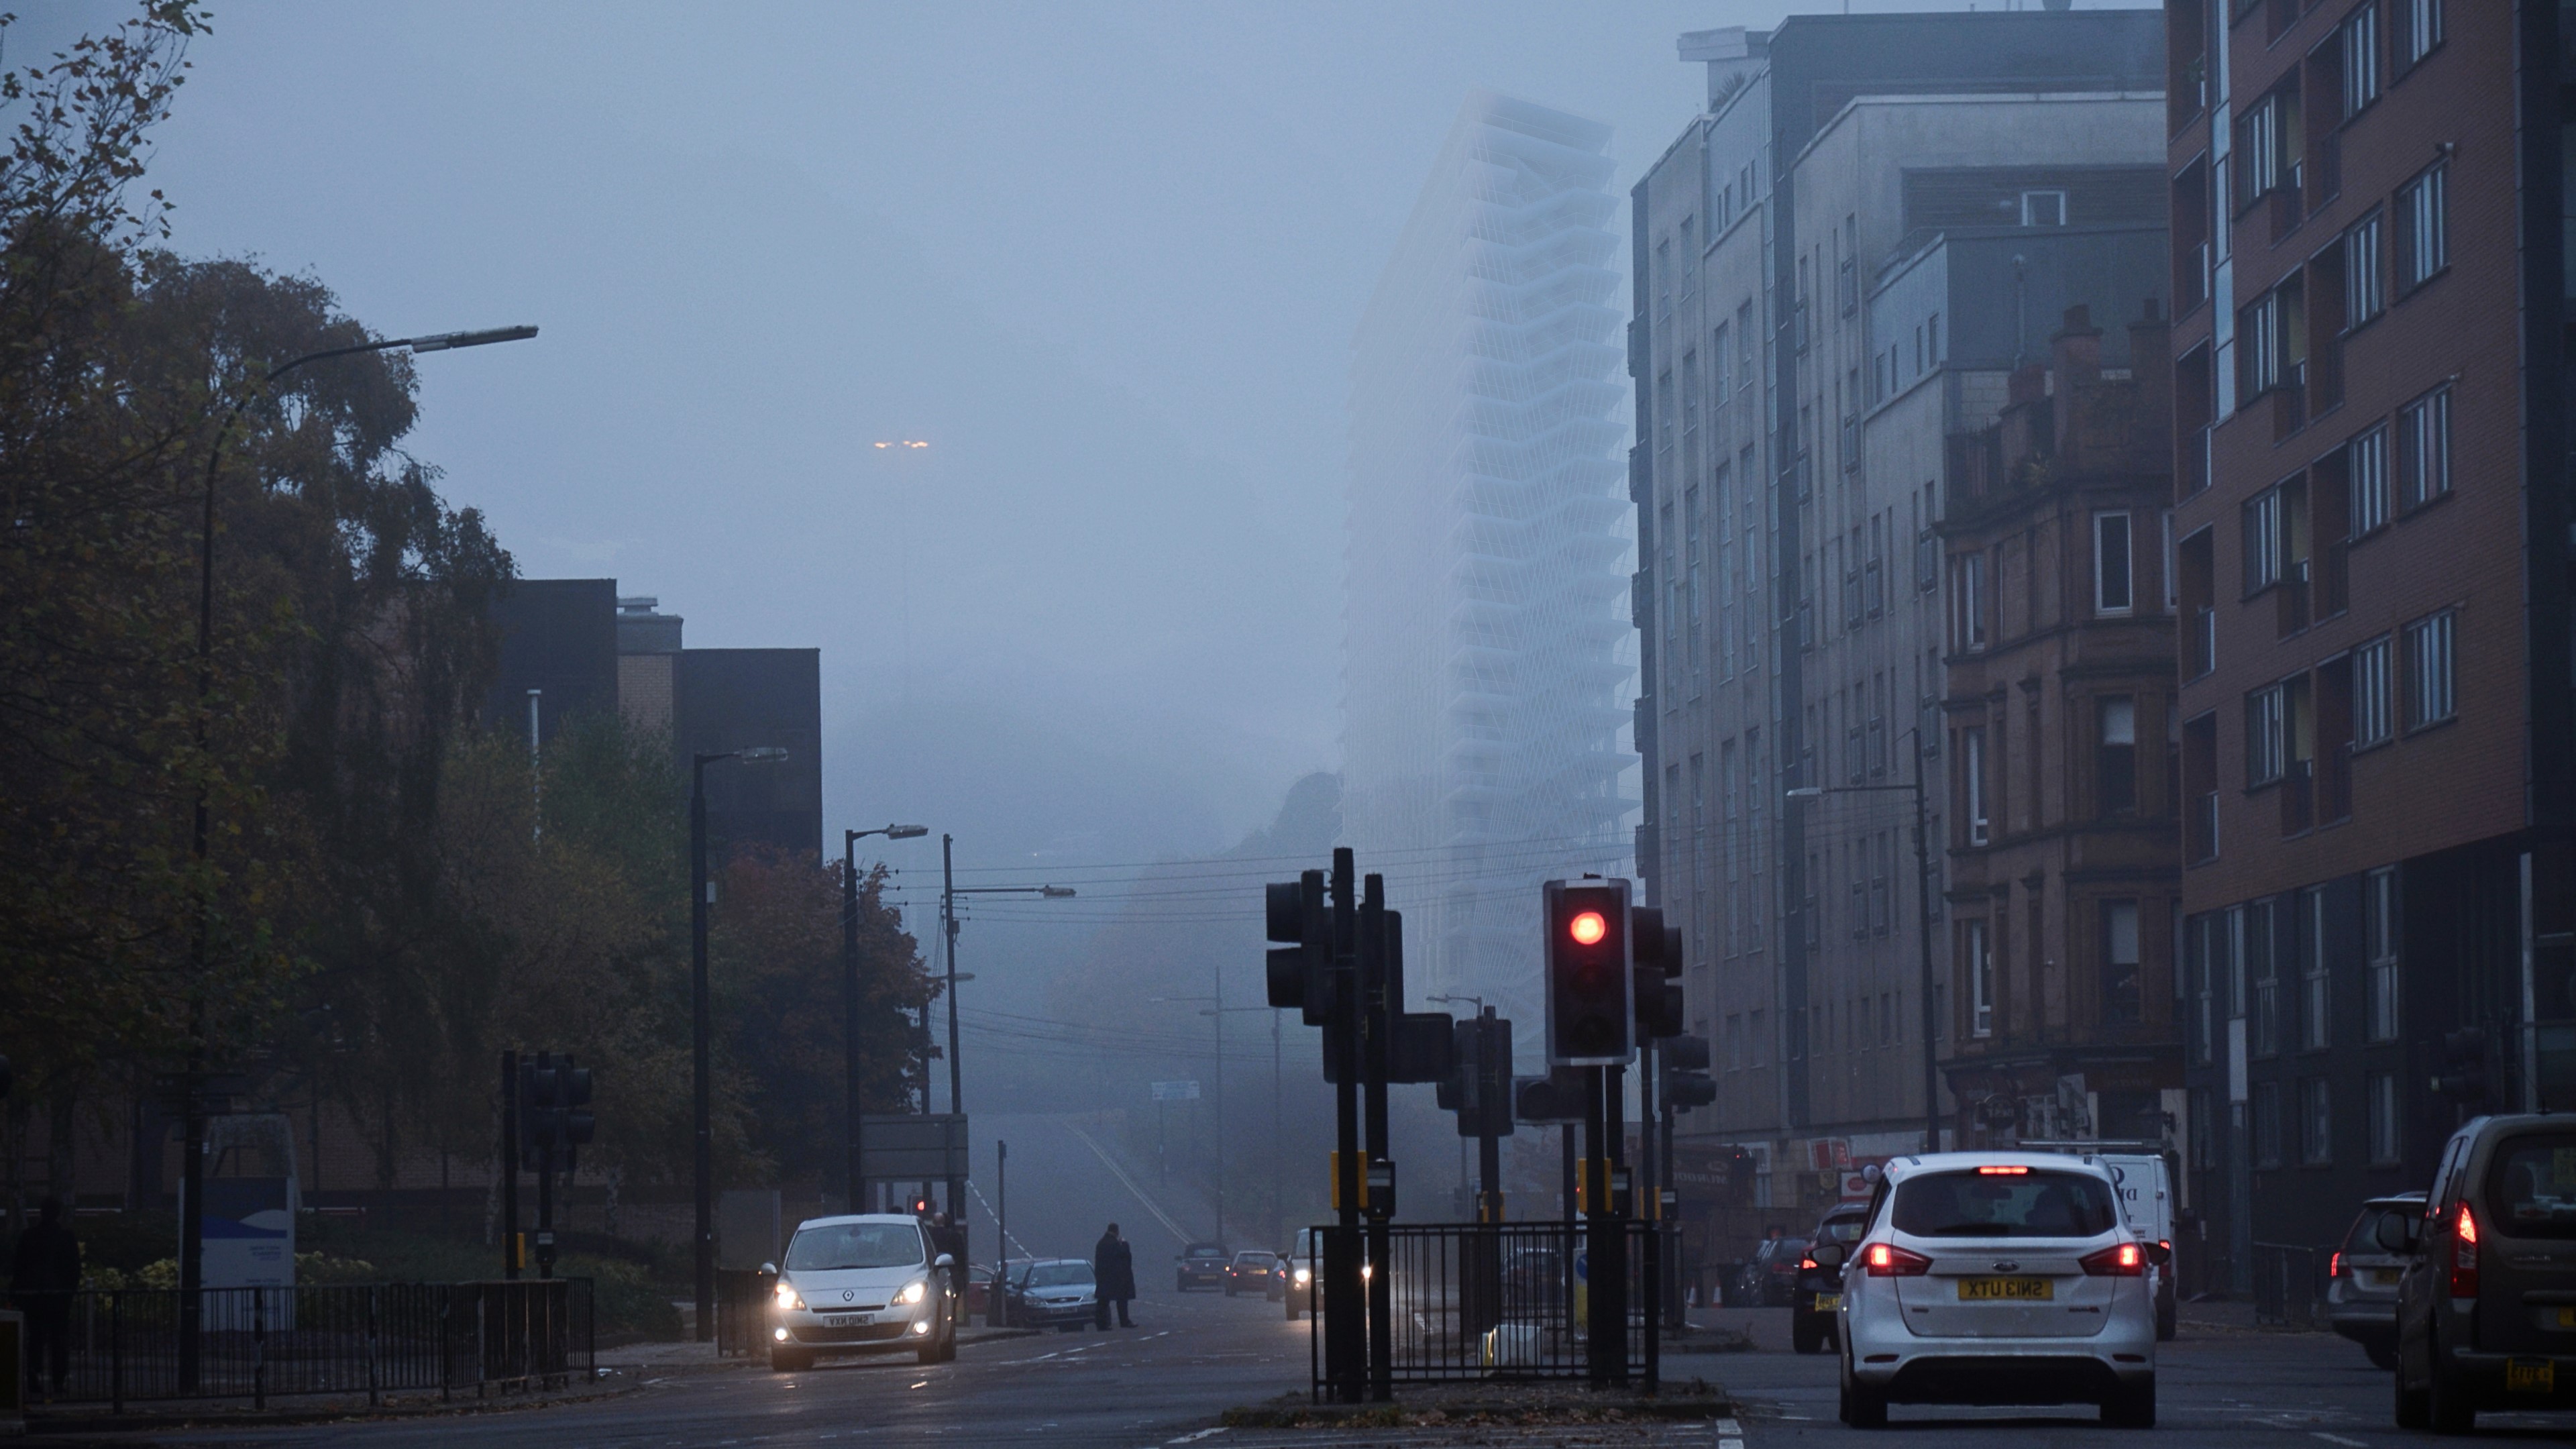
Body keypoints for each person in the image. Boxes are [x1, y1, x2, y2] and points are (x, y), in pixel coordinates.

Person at [10, 1197, 82, 1399]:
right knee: (59, 1339)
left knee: (36, 1339)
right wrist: (69, 1292)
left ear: (41, 1212)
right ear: (58, 1213)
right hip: (59, 1298)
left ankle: (34, 1376)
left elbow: (19, 1267)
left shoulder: (30, 1236)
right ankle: (58, 1381)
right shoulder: (66, 1237)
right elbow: (74, 1269)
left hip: (35, 1297)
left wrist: (19, 1293)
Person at [1092, 1222, 1134, 1328]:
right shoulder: (1115, 1244)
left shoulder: (1101, 1243)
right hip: (1117, 1277)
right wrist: (1124, 1244)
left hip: (1103, 1276)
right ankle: (1124, 1322)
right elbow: (1124, 1255)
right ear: (1116, 1231)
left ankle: (1101, 1324)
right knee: (1122, 1300)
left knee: (1103, 1301)